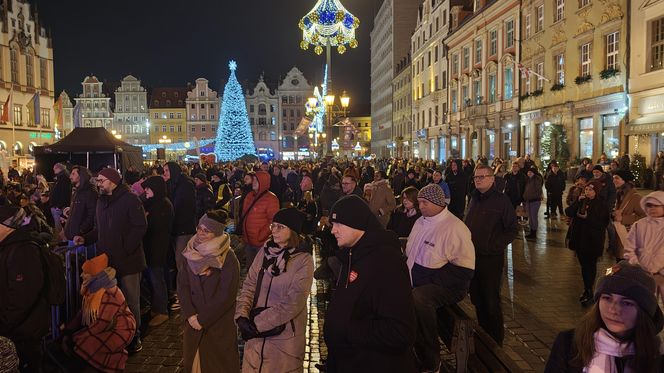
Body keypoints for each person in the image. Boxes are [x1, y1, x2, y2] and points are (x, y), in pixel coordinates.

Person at [324, 195, 417, 372]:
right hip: (350, 361)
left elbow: (401, 331)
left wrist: (346, 329)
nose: (332, 230)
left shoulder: (387, 262)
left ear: (357, 223)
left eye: (338, 224)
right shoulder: (351, 255)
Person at [545, 261, 664, 372]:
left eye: (627, 303)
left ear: (644, 311)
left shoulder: (657, 357)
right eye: (607, 298)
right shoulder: (570, 344)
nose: (613, 309)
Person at [77, 167, 148, 353]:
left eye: (101, 180)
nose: (98, 184)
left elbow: (140, 226)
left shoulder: (130, 199)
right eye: (97, 181)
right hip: (108, 261)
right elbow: (99, 229)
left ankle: (134, 335)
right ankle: (116, 335)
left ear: (112, 181)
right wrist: (86, 238)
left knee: (131, 300)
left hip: (129, 260)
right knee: (111, 301)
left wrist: (126, 248)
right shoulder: (101, 201)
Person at [406, 185, 475, 372]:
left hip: (444, 286)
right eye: (419, 202)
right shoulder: (421, 222)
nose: (420, 206)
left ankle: (431, 356)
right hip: (417, 281)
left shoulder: (454, 228)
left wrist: (432, 282)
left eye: (424, 203)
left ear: (438, 203)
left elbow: (464, 269)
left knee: (419, 298)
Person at [235, 208, 314, 372]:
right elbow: (249, 285)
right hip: (256, 342)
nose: (274, 231)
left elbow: (293, 303)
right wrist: (242, 315)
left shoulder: (303, 260)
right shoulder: (265, 252)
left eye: (281, 227)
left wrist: (257, 324)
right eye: (274, 225)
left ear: (292, 231)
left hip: (283, 341)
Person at [178, 210, 240, 373]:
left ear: (217, 233)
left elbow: (226, 295)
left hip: (216, 324)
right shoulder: (190, 252)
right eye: (199, 228)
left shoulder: (228, 258)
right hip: (193, 323)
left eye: (207, 230)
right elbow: (182, 285)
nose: (201, 233)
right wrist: (190, 315)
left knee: (217, 364)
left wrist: (202, 320)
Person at [464, 164, 518, 345]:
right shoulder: (474, 198)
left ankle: (495, 341)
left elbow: (512, 229)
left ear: (491, 178)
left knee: (491, 301)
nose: (478, 180)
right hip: (472, 258)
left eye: (482, 177)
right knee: (478, 298)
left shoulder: (501, 201)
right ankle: (483, 334)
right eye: (476, 177)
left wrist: (494, 246)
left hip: (490, 259)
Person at [62, 253, 137, 373]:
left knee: (86, 345)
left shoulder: (109, 293)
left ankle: (110, 366)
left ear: (94, 276)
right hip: (108, 327)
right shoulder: (93, 290)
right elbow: (83, 313)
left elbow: (102, 322)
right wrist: (69, 329)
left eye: (85, 273)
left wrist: (77, 336)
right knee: (85, 346)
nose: (82, 275)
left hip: (121, 329)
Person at [0, 206, 49, 372]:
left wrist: (5, 322)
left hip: (24, 330)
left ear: (7, 227)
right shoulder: (9, 246)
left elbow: (24, 295)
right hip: (17, 327)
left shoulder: (23, 250)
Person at [565, 180, 610, 306]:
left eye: (591, 190)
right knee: (584, 265)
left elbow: (603, 224)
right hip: (580, 239)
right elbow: (568, 212)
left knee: (590, 265)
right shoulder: (582, 201)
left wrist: (588, 218)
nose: (588, 192)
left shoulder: (601, 204)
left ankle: (589, 290)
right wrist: (578, 202)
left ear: (596, 191)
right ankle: (587, 289)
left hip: (593, 240)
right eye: (586, 189)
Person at [141, 176, 174, 327]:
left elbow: (155, 228)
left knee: (157, 279)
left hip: (157, 249)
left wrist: (145, 220)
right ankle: (156, 307)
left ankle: (161, 311)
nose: (145, 191)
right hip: (151, 248)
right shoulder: (153, 203)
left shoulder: (163, 205)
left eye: (148, 189)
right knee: (154, 278)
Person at [622, 191, 664, 300]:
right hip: (641, 274)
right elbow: (629, 248)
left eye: (656, 205)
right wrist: (638, 268)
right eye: (649, 205)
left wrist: (660, 274)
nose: (652, 208)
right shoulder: (639, 225)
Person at [240, 171, 280, 267]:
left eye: (256, 181)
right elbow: (244, 215)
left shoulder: (271, 199)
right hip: (248, 240)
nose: (253, 182)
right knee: (250, 268)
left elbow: (273, 221)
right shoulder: (249, 196)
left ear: (263, 182)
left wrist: (261, 236)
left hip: (261, 243)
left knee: (260, 269)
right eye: (253, 180)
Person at [611, 170, 646, 261]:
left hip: (629, 239)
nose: (614, 180)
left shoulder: (636, 197)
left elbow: (645, 217)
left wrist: (624, 218)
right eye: (613, 178)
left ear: (625, 180)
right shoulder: (619, 194)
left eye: (617, 178)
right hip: (620, 238)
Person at [63, 166, 97, 244]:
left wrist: (80, 231)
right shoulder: (77, 191)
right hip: (72, 236)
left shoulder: (90, 192)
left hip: (80, 238)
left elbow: (92, 215)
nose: (70, 176)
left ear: (81, 176)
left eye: (73, 174)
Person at [51, 162, 72, 238]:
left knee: (59, 227)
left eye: (54, 169)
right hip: (58, 206)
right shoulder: (61, 177)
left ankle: (61, 244)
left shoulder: (64, 179)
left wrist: (58, 206)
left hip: (59, 207)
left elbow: (64, 194)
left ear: (58, 169)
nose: (53, 170)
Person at [523, 166, 544, 239]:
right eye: (528, 172)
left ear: (534, 173)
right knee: (530, 217)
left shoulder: (537, 180)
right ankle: (531, 231)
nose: (529, 173)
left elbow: (538, 191)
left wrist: (530, 197)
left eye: (530, 172)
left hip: (534, 201)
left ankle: (533, 233)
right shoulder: (528, 180)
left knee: (533, 217)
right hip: (528, 201)